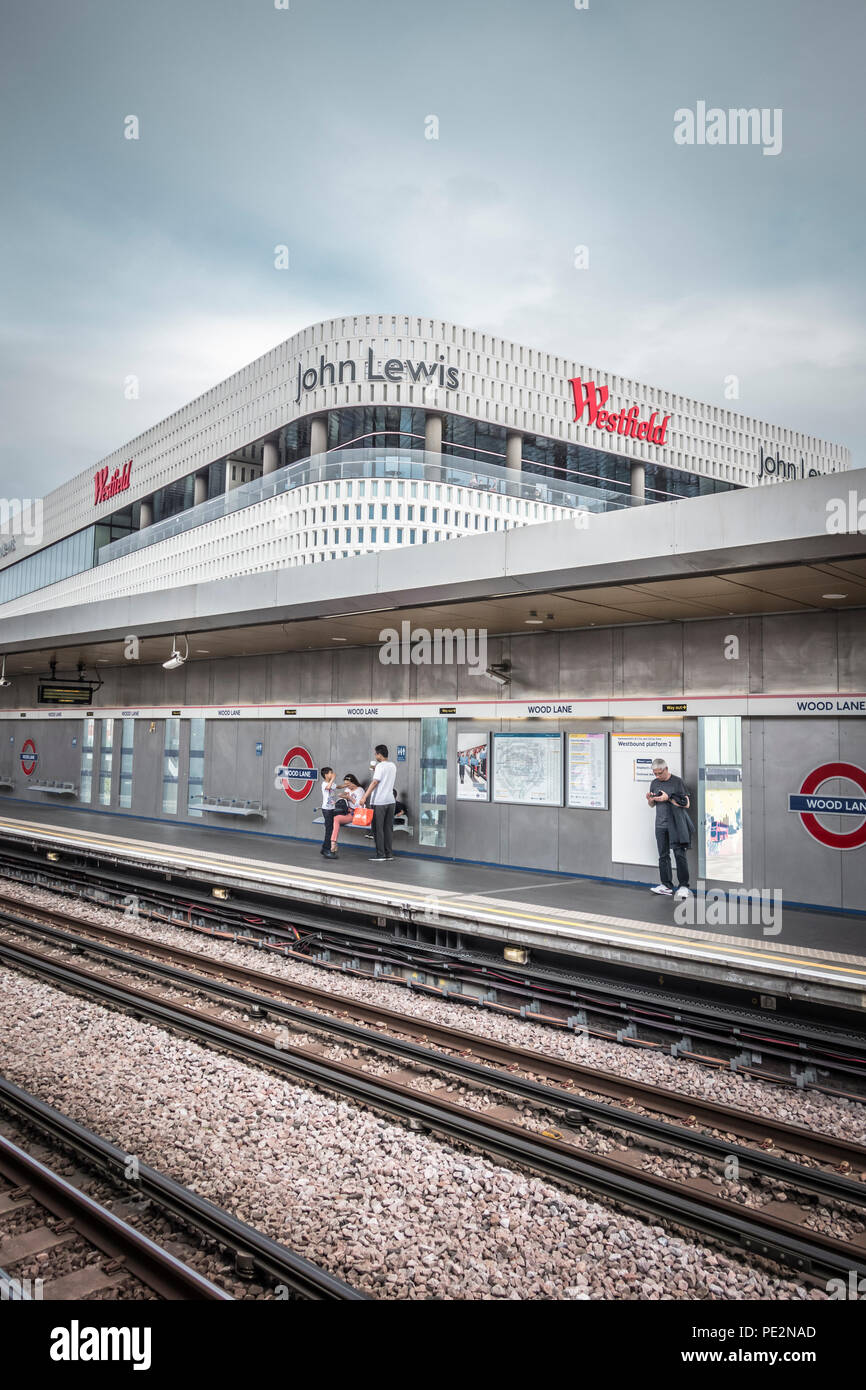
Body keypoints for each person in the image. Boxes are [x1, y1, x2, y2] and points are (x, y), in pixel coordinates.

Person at [646, 758, 692, 899]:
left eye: (660, 773)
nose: (658, 776)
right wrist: (651, 800)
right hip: (660, 825)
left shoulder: (677, 782)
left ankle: (684, 886)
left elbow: (687, 804)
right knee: (663, 856)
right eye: (655, 774)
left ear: (666, 769)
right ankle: (666, 885)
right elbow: (652, 806)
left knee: (679, 854)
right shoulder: (654, 783)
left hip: (675, 824)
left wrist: (668, 798)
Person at [358, 743, 397, 861]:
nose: (375, 755)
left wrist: (364, 797)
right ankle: (388, 854)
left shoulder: (380, 766)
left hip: (379, 802)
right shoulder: (392, 765)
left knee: (377, 828)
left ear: (379, 754)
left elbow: (375, 782)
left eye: (376, 753)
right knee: (388, 828)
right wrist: (377, 769)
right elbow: (385, 777)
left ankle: (380, 854)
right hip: (391, 801)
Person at [327, 773, 363, 858]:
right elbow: (344, 799)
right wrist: (341, 797)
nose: (347, 786)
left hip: (354, 813)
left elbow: (360, 806)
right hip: (346, 811)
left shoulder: (360, 790)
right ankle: (333, 843)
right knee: (332, 817)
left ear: (353, 782)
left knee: (336, 819)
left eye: (348, 784)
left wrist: (350, 798)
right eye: (345, 784)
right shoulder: (348, 789)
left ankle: (333, 843)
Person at [318, 766, 337, 857]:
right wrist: (333, 778)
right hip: (327, 809)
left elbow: (336, 786)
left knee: (330, 829)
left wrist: (346, 785)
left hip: (332, 808)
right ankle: (326, 850)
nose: (332, 774)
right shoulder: (324, 784)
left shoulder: (332, 783)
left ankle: (324, 848)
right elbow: (328, 787)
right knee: (329, 830)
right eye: (330, 773)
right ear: (326, 775)